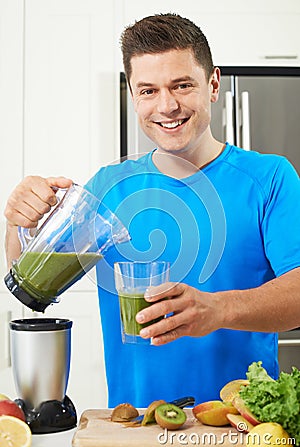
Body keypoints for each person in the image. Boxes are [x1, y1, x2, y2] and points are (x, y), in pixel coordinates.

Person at [5, 13, 300, 408]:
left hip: (242, 426)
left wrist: (219, 308)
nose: (167, 106)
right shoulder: (106, 189)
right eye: (148, 91)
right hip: (136, 427)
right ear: (132, 95)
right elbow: (31, 284)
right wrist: (18, 222)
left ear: (213, 84)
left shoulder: (271, 178)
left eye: (182, 85)